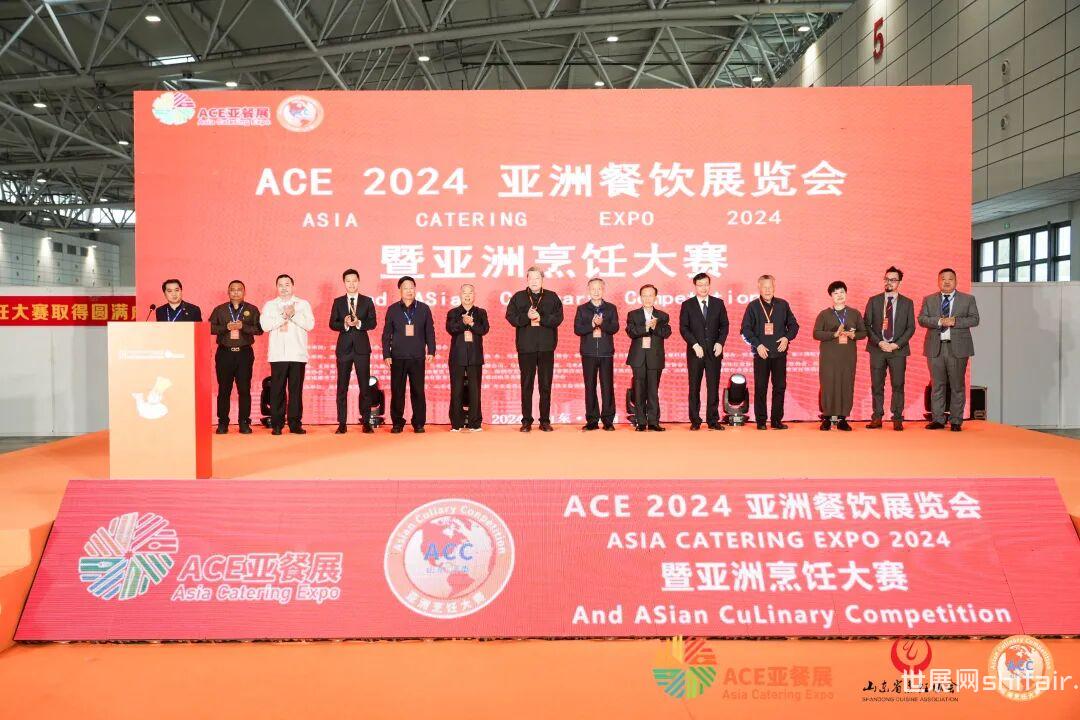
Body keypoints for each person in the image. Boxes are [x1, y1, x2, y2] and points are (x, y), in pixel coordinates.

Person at [918, 268, 980, 431]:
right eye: (943, 279)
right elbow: (922, 319)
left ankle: (956, 420)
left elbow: (975, 319)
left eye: (950, 279)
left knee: (957, 385)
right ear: (938, 281)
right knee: (937, 385)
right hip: (935, 348)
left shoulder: (968, 299)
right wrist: (939, 321)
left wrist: (955, 322)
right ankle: (938, 419)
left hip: (958, 348)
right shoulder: (929, 299)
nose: (946, 282)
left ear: (956, 281)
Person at [505, 266, 564, 432]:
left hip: (546, 347)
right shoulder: (518, 297)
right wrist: (527, 317)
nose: (534, 281)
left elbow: (558, 318)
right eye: (530, 278)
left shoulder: (552, 297)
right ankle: (526, 421)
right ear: (527, 280)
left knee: (545, 385)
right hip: (526, 347)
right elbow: (510, 316)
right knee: (526, 385)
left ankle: (545, 421)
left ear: (542, 279)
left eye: (537, 278)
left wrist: (541, 317)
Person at [740, 274, 799, 430]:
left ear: (774, 287)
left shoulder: (783, 305)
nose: (767, 290)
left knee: (779, 387)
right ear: (759, 287)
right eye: (764, 287)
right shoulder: (753, 306)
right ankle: (761, 421)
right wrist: (757, 345)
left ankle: (776, 420)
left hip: (779, 353)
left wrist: (786, 338)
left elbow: (794, 326)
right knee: (761, 388)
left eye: (770, 287)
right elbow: (745, 330)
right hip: (761, 354)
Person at [260, 274, 315, 435]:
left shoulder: (303, 304)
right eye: (280, 285)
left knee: (295, 391)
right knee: (277, 390)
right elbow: (265, 326)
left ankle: (295, 423)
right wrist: (283, 316)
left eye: (287, 285)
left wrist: (293, 315)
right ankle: (277, 424)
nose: (284, 288)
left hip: (297, 354)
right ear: (276, 287)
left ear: (293, 286)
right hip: (278, 355)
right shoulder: (270, 305)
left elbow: (310, 325)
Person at [864, 266, 916, 431]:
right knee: (877, 385)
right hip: (877, 349)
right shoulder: (874, 300)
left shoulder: (907, 303)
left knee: (898, 385)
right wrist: (879, 342)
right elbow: (867, 325)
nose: (889, 282)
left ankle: (897, 418)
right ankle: (877, 417)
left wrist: (896, 344)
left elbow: (911, 327)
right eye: (887, 279)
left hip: (898, 350)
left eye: (893, 280)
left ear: (899, 282)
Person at [382, 276, 436, 433]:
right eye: (405, 288)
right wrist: (386, 354)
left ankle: (418, 423)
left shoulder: (424, 309)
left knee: (418, 391)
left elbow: (430, 332)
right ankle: (397, 423)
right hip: (397, 357)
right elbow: (386, 334)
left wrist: (431, 351)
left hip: (417, 356)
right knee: (397, 392)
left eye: (411, 287)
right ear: (400, 290)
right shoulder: (392, 309)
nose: (409, 290)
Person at [208, 280, 262, 434]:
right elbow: (210, 328)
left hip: (244, 354)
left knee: (244, 389)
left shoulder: (252, 309)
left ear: (244, 292)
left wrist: (242, 327)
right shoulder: (220, 310)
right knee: (224, 389)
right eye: (233, 289)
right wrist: (226, 327)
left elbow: (259, 329)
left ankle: (244, 422)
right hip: (224, 353)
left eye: (239, 289)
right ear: (228, 292)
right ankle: (223, 423)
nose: (236, 292)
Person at [329, 268, 378, 434]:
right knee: (342, 387)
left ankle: (366, 422)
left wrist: (358, 323)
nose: (351, 284)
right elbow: (332, 323)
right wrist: (344, 324)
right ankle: (342, 423)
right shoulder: (338, 302)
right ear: (344, 283)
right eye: (348, 281)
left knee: (365, 387)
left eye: (354, 280)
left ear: (358, 281)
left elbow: (373, 323)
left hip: (362, 349)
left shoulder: (367, 301)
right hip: (344, 349)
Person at [812, 281, 866, 431]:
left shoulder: (854, 313)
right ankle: (827, 418)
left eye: (842, 292)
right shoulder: (824, 314)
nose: (839, 295)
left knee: (846, 384)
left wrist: (853, 335)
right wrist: (834, 334)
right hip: (829, 357)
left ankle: (842, 418)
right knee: (828, 385)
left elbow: (863, 333)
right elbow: (816, 333)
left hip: (847, 357)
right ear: (831, 296)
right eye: (835, 293)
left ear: (846, 293)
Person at [678, 272, 729, 430]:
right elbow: (684, 328)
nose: (703, 288)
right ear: (695, 286)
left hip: (714, 352)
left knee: (713, 387)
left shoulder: (718, 303)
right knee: (694, 387)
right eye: (700, 285)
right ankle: (695, 421)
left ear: (709, 285)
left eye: (706, 284)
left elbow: (724, 326)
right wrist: (694, 344)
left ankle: (713, 420)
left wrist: (720, 343)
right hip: (695, 353)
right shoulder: (687, 305)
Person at [573, 278, 619, 431]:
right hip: (588, 353)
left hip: (606, 353)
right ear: (588, 290)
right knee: (590, 386)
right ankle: (592, 420)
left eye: (599, 288)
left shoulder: (611, 308)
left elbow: (615, 328)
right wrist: (592, 324)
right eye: (593, 288)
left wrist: (602, 324)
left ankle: (608, 421)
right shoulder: (582, 309)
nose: (596, 291)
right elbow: (577, 329)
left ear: (603, 290)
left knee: (607, 387)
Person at [626, 284, 672, 431]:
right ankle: (640, 422)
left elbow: (667, 333)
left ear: (655, 297)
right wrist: (646, 327)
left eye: (650, 295)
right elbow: (631, 332)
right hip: (638, 358)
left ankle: (653, 422)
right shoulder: (633, 314)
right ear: (640, 297)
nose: (647, 298)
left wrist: (655, 327)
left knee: (653, 390)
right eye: (644, 295)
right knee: (639, 390)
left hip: (655, 357)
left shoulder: (662, 316)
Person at [446, 284, 489, 432]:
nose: (467, 295)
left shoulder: (481, 312)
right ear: (460, 295)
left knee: (474, 391)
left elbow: (484, 329)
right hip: (457, 357)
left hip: (475, 357)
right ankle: (456, 423)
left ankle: (475, 423)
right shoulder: (453, 312)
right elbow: (451, 329)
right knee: (456, 390)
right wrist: (463, 322)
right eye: (465, 292)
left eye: (470, 292)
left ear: (474, 295)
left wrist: (472, 323)